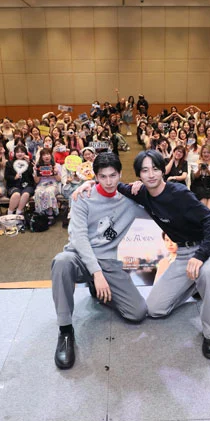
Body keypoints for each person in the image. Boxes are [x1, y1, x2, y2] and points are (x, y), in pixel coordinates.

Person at [117, 150, 210, 359]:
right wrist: (88, 185)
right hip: (184, 253)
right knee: (155, 309)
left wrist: (201, 256)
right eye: (145, 171)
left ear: (163, 170)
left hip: (208, 247)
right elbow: (115, 185)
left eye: (155, 169)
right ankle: (196, 285)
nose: (151, 175)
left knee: (208, 273)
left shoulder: (179, 194)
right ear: (139, 175)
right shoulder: (142, 192)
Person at [52, 152, 148, 369]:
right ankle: (65, 331)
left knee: (137, 313)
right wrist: (96, 273)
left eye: (113, 175)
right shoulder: (82, 196)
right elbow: (78, 238)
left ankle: (98, 290)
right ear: (95, 177)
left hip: (108, 262)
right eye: (103, 176)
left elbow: (158, 202)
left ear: (120, 174)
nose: (108, 182)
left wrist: (143, 188)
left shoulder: (130, 200)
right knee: (62, 261)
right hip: (80, 257)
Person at [5, 144, 35, 215]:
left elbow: (32, 174)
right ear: (15, 153)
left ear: (25, 153)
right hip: (14, 186)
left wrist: (28, 163)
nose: (20, 154)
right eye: (18, 152)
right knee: (16, 194)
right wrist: (14, 177)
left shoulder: (30, 163)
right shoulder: (9, 163)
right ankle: (9, 213)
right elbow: (6, 176)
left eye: (22, 152)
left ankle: (18, 213)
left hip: (27, 185)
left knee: (25, 194)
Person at [190, 145, 210, 212]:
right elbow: (196, 176)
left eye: (208, 152)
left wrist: (207, 169)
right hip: (199, 185)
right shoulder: (197, 163)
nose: (206, 154)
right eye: (204, 152)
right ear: (201, 153)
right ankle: (204, 216)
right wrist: (199, 169)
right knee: (203, 199)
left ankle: (208, 215)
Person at [33, 148, 60, 225]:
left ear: (51, 155)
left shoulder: (56, 165)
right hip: (41, 185)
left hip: (53, 184)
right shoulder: (38, 166)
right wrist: (37, 172)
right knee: (38, 192)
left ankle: (50, 214)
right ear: (41, 157)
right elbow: (36, 181)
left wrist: (55, 173)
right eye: (44, 155)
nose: (46, 156)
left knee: (49, 191)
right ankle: (41, 213)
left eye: (48, 154)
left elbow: (59, 179)